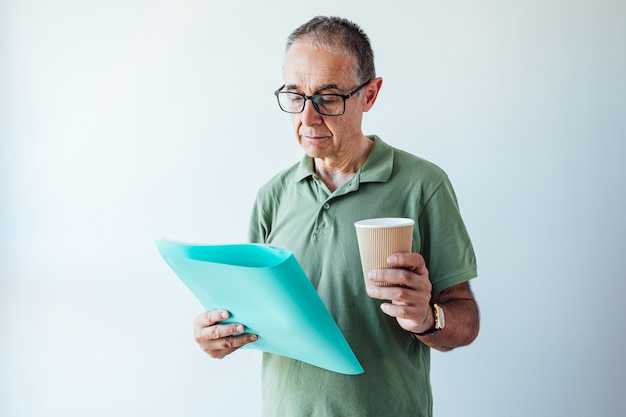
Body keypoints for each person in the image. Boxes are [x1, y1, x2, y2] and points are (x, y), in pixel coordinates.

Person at [193, 16, 479, 416]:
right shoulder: (273, 197)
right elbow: (255, 318)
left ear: (370, 94)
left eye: (327, 98)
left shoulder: (423, 185)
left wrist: (427, 317)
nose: (307, 119)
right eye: (295, 96)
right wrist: (220, 335)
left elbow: (465, 320)